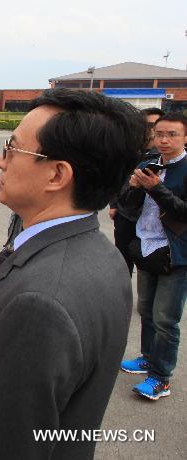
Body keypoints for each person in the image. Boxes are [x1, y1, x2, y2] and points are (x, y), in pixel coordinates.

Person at [0, 89, 143, 459]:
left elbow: (0, 444)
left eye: (12, 148)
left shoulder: (39, 305)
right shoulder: (103, 256)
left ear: (57, 174)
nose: (0, 161)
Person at [118, 112, 187, 400]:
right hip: (147, 248)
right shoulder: (148, 163)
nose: (164, 140)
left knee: (165, 319)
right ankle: (147, 357)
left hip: (177, 254)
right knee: (146, 311)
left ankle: (161, 377)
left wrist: (156, 188)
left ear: (185, 137)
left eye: (172, 135)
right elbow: (127, 206)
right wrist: (133, 189)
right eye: (159, 134)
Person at [111, 107, 164, 275]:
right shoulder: (128, 151)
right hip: (125, 214)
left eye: (156, 125)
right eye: (148, 125)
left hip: (151, 219)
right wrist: (114, 204)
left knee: (147, 264)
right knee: (122, 262)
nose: (152, 130)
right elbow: (115, 177)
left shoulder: (164, 154)